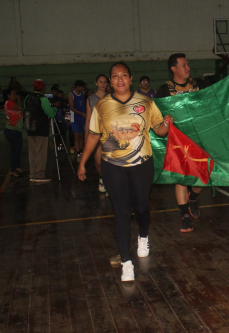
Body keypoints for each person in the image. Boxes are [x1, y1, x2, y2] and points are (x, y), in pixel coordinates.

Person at [78, 62, 171, 281]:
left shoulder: (146, 102)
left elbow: (160, 130)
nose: (119, 80)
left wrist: (167, 123)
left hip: (142, 164)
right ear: (110, 81)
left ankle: (143, 236)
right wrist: (83, 162)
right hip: (113, 166)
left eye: (124, 75)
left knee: (140, 207)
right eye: (115, 76)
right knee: (120, 211)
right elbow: (93, 135)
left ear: (131, 79)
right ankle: (126, 261)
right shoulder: (102, 105)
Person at [156, 53, 208, 232]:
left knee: (204, 174)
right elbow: (157, 115)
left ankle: (193, 196)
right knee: (181, 177)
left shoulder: (199, 85)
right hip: (178, 140)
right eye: (184, 65)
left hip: (200, 136)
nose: (188, 67)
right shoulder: (164, 90)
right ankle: (185, 215)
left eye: (188, 64)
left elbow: (218, 95)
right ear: (174, 68)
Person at [24, 79, 59, 182]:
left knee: (32, 152)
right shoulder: (43, 99)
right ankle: (39, 174)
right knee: (41, 152)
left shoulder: (27, 98)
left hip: (30, 129)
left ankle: (33, 173)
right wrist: (55, 107)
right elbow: (51, 114)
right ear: (43, 89)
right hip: (41, 129)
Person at [85, 74, 109, 193]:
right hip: (95, 133)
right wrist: (86, 136)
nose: (103, 84)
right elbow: (89, 118)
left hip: (109, 134)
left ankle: (109, 182)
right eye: (100, 82)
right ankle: (102, 178)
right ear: (96, 83)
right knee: (98, 161)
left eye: (105, 82)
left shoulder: (111, 97)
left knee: (109, 161)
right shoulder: (90, 99)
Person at [3, 88, 24, 177]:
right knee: (15, 150)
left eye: (16, 94)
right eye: (13, 94)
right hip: (11, 130)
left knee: (18, 148)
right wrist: (19, 99)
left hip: (16, 130)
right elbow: (19, 108)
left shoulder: (13, 103)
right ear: (8, 96)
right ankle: (13, 169)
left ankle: (17, 166)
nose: (15, 96)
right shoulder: (9, 103)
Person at [68, 80, 87, 158]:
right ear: (77, 87)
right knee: (76, 135)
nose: (83, 88)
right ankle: (78, 151)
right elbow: (71, 107)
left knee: (82, 135)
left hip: (82, 117)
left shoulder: (83, 94)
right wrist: (81, 113)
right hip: (75, 117)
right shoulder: (71, 94)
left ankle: (82, 150)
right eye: (82, 87)